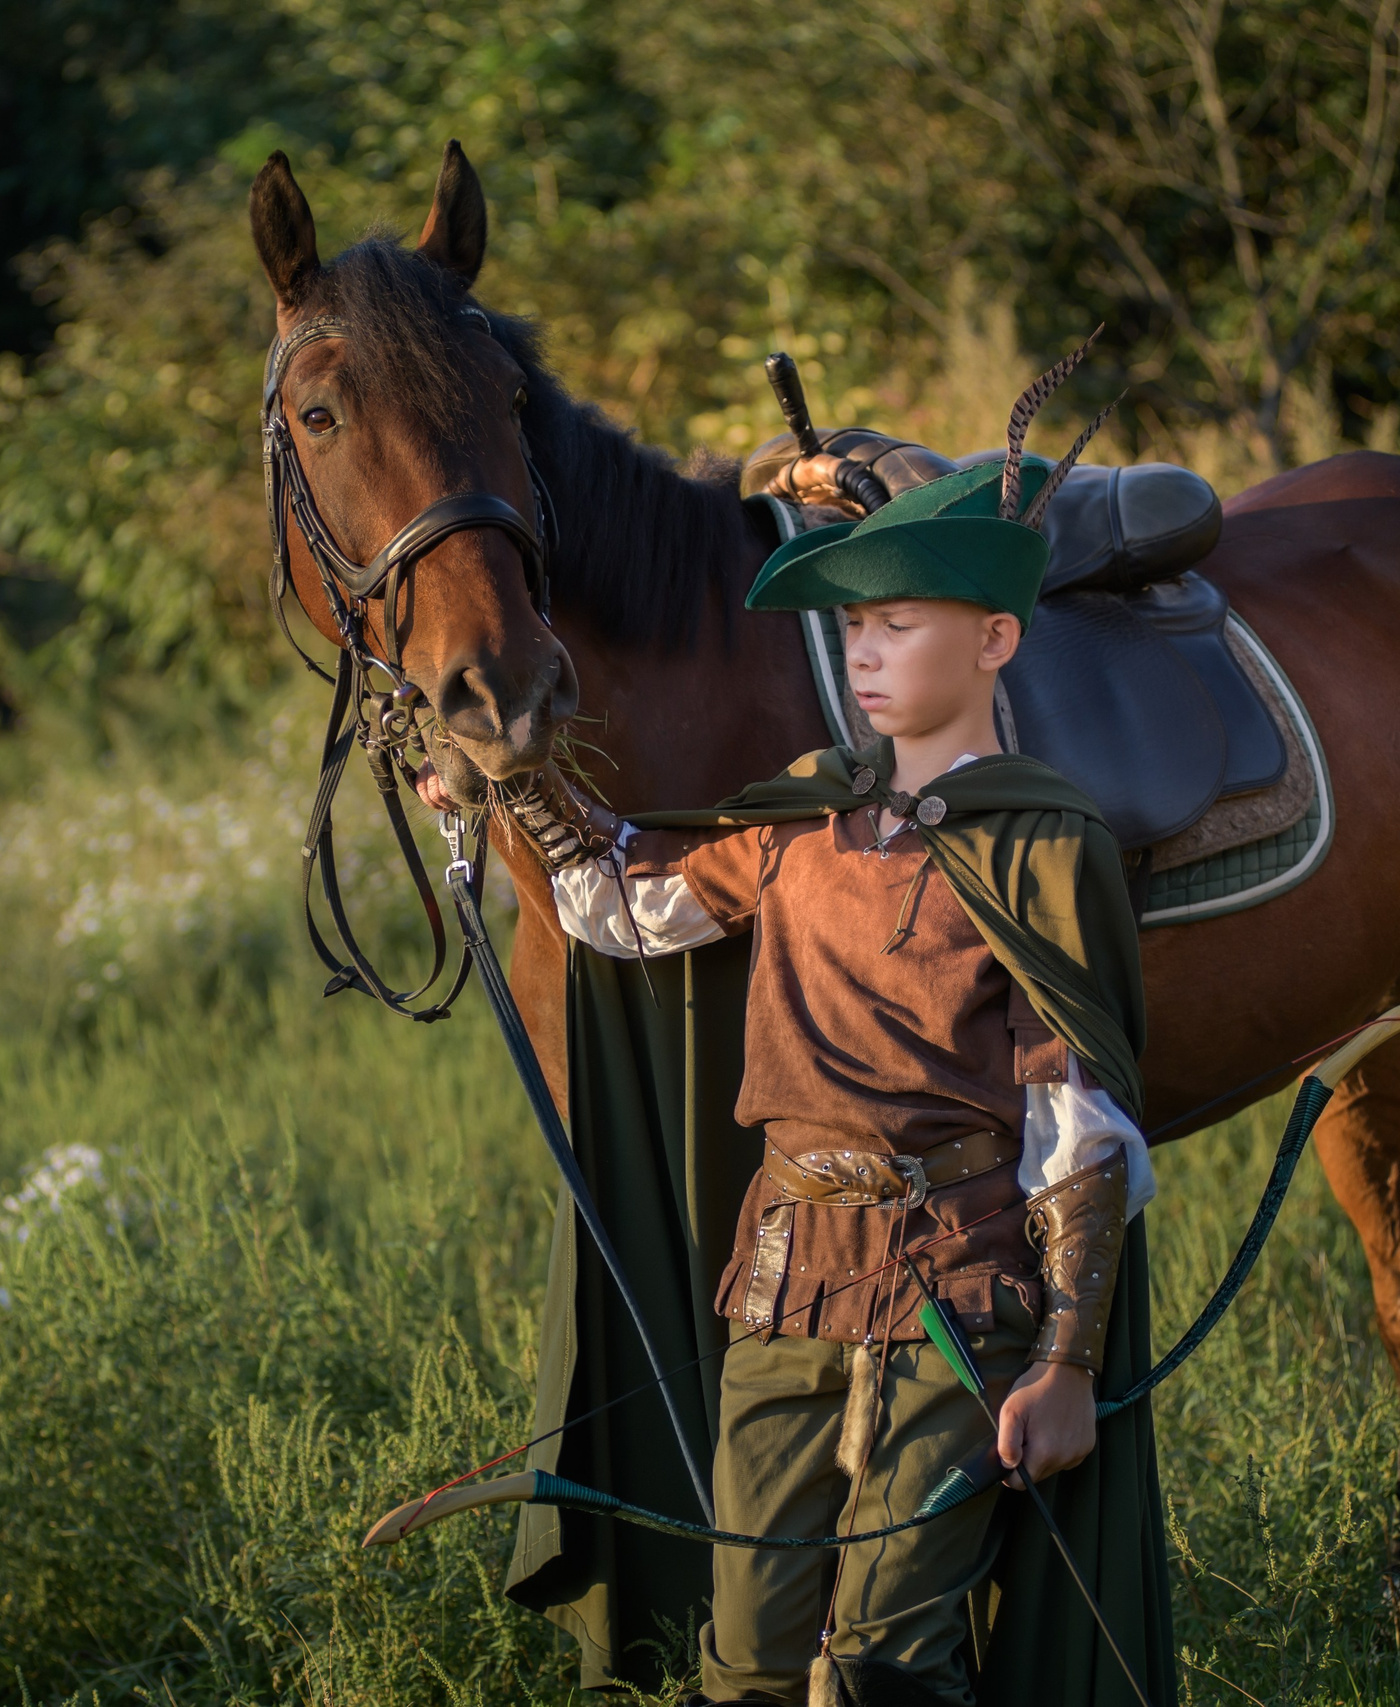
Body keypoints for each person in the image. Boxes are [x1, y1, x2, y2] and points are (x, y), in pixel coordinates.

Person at [445, 370, 1167, 1706]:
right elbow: (626, 904)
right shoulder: (791, 820)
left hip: (962, 1290)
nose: (866, 655)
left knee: (888, 1668)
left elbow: (1081, 1119)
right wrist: (517, 778)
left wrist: (1066, 1362)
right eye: (852, 628)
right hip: (780, 1284)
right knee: (752, 1665)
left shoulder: (1039, 840)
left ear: (998, 641)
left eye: (900, 623)